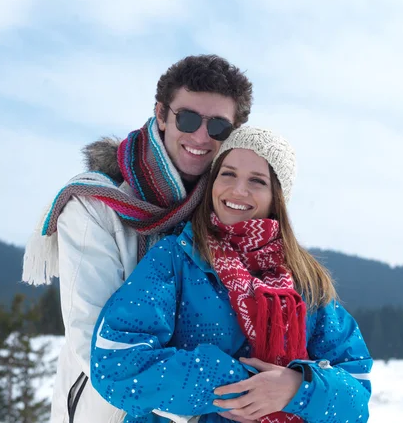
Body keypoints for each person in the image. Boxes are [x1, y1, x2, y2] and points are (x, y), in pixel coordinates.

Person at [21, 55, 254, 423]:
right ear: (161, 114)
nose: (200, 137)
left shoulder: (228, 211)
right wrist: (219, 403)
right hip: (109, 410)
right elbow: (92, 344)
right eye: (188, 118)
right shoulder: (95, 205)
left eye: (218, 126)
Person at [90, 127, 373, 423]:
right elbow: (115, 364)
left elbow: (356, 396)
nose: (238, 190)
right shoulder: (176, 258)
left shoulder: (305, 280)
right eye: (227, 174)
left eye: (257, 181)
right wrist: (240, 385)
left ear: (276, 197)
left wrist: (295, 388)